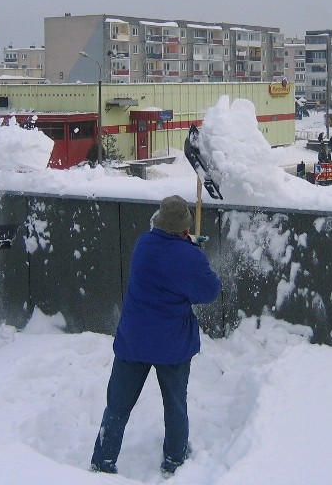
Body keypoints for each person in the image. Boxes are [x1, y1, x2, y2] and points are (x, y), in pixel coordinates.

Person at [90, 195, 222, 477]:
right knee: (175, 406)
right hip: (172, 346)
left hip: (133, 341)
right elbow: (209, 292)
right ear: (186, 230)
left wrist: (187, 249)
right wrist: (196, 255)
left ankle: (102, 463)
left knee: (117, 407)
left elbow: (165, 257)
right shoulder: (190, 257)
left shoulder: (143, 244)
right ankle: (174, 461)